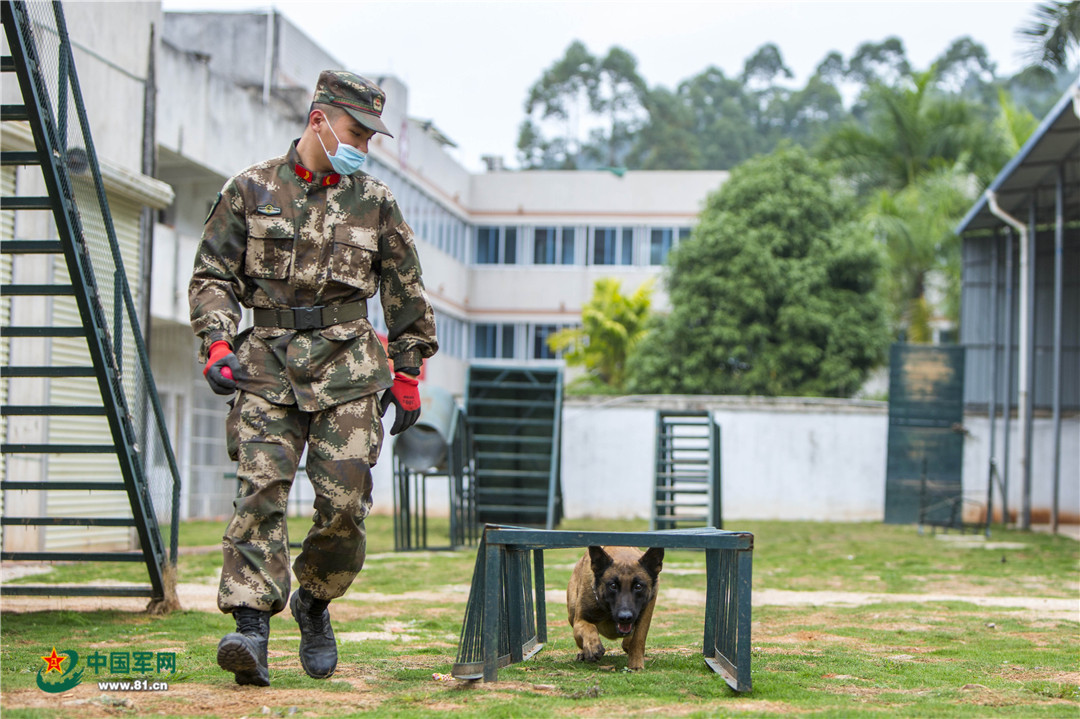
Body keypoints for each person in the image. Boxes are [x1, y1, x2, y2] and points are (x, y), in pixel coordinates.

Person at [188, 70, 438, 687]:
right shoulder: (249, 189)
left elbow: (406, 293)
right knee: (260, 491)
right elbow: (211, 274)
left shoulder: (375, 202)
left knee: (344, 507)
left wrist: (408, 373)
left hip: (350, 369)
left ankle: (315, 601)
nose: (363, 145)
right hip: (265, 364)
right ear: (319, 119)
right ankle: (251, 632)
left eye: (371, 137)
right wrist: (218, 340)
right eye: (357, 131)